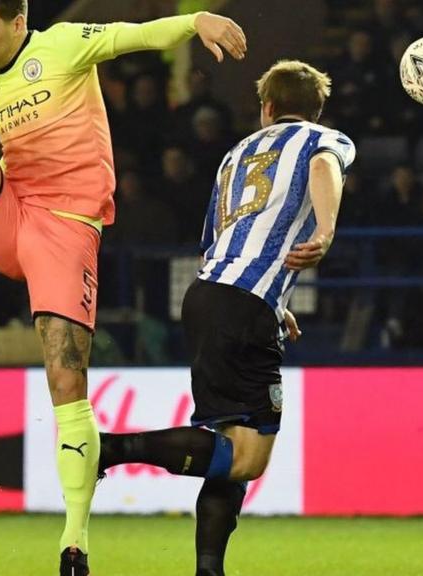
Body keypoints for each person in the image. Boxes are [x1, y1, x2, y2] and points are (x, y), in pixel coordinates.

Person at [0, 2, 246, 574]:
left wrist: (196, 22)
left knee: (67, 383)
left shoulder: (63, 45)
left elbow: (132, 35)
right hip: (7, 221)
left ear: (19, 21)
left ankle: (74, 543)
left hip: (62, 230)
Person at [96, 60, 355, 576]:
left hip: (209, 293)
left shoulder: (233, 156)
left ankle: (209, 568)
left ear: (266, 109)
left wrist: (272, 303)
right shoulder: (324, 138)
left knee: (226, 447)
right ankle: (111, 448)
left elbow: (217, 239)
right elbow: (323, 166)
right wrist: (324, 232)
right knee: (247, 459)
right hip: (242, 304)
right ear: (314, 110)